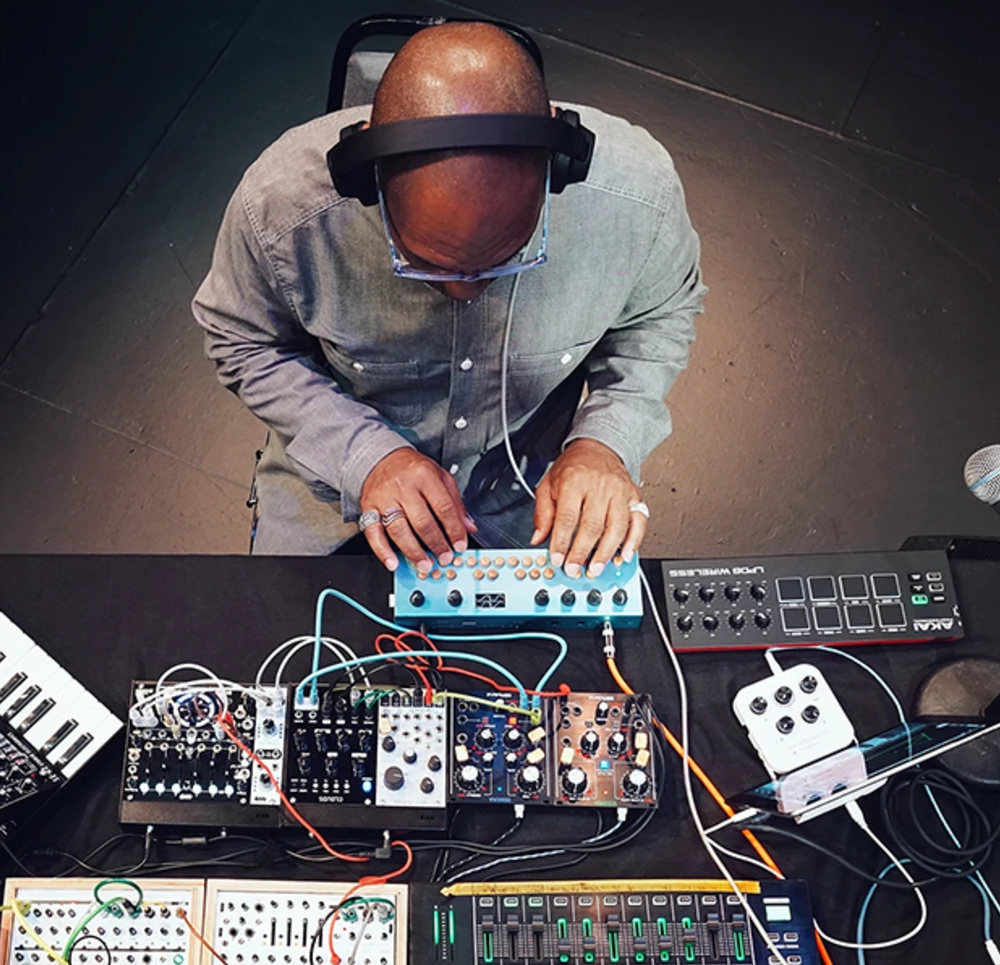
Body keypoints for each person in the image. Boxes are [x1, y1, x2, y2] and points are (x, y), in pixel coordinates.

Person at [193, 21, 704, 580]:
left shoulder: (639, 201)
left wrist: (606, 441)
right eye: (426, 263)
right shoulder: (282, 212)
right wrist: (365, 457)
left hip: (529, 496)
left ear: (557, 174)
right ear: (371, 182)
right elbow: (241, 339)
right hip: (332, 483)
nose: (465, 290)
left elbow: (661, 317)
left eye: (507, 254)